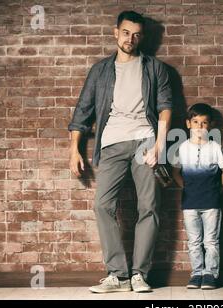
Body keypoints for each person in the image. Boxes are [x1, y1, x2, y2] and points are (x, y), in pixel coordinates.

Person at [68, 10, 172, 293]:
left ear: (142, 37)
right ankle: (117, 275)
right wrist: (74, 150)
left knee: (148, 207)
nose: (131, 38)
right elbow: (82, 113)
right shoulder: (100, 70)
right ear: (116, 33)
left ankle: (139, 274)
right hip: (111, 144)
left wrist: (160, 145)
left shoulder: (154, 68)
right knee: (103, 205)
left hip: (145, 142)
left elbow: (165, 107)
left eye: (136, 34)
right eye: (126, 32)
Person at [171, 103, 223, 290]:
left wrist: (219, 189)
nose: (199, 127)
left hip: (211, 203)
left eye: (204, 123)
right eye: (195, 122)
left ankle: (210, 275)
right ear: (188, 124)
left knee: (211, 241)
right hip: (190, 203)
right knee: (194, 241)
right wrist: (185, 187)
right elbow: (175, 172)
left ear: (210, 125)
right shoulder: (182, 148)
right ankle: (196, 273)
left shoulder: (215, 147)